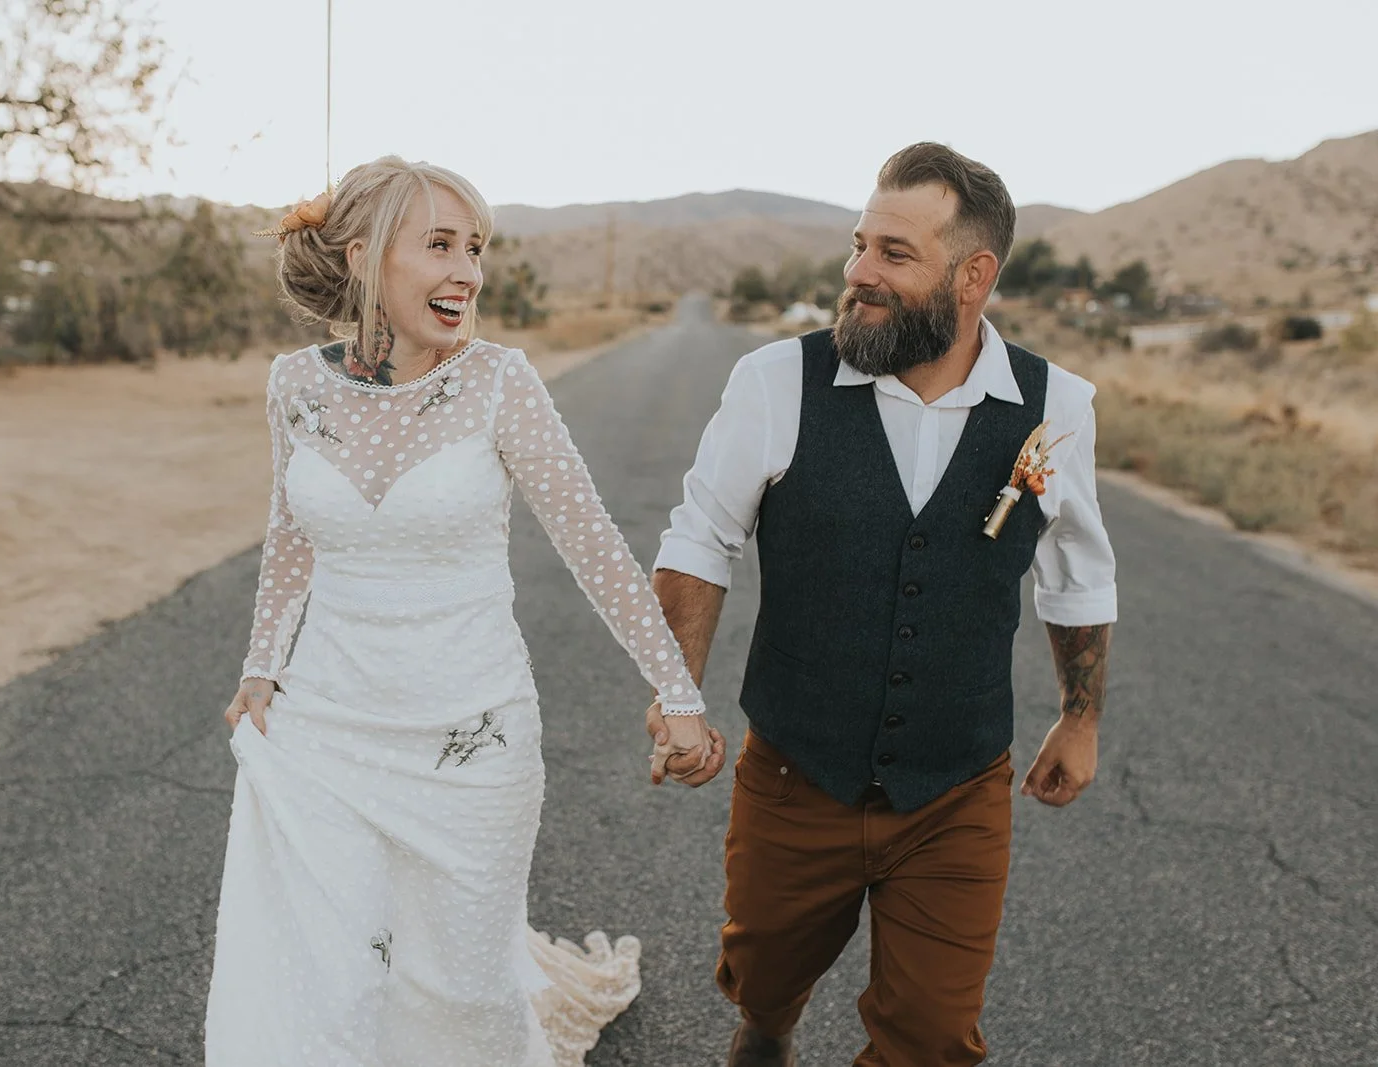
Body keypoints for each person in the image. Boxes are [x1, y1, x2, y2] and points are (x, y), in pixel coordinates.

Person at [205, 155, 722, 1067]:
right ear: (364, 257)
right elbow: (291, 535)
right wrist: (259, 670)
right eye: (439, 245)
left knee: (458, 985)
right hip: (326, 728)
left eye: (474, 248)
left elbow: (593, 542)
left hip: (471, 734)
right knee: (334, 972)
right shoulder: (296, 385)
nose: (467, 273)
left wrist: (676, 687)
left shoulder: (499, 383)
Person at [651, 142, 1118, 1066]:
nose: (858, 273)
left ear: (974, 275)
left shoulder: (1056, 403)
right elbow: (700, 536)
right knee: (766, 973)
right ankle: (768, 1026)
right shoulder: (775, 382)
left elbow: (1077, 568)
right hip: (796, 770)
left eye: (894, 254)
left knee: (934, 1038)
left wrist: (1081, 717)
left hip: (956, 785)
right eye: (859, 244)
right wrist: (676, 693)